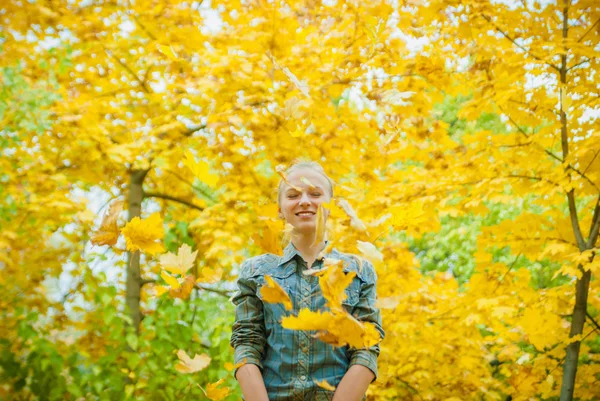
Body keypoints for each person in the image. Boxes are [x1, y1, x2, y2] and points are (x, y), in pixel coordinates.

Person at [230, 161, 384, 401]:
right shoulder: (256, 271)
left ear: (330, 205)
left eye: (315, 193)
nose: (304, 201)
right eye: (292, 194)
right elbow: (247, 345)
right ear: (280, 208)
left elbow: (366, 350)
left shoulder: (359, 271)